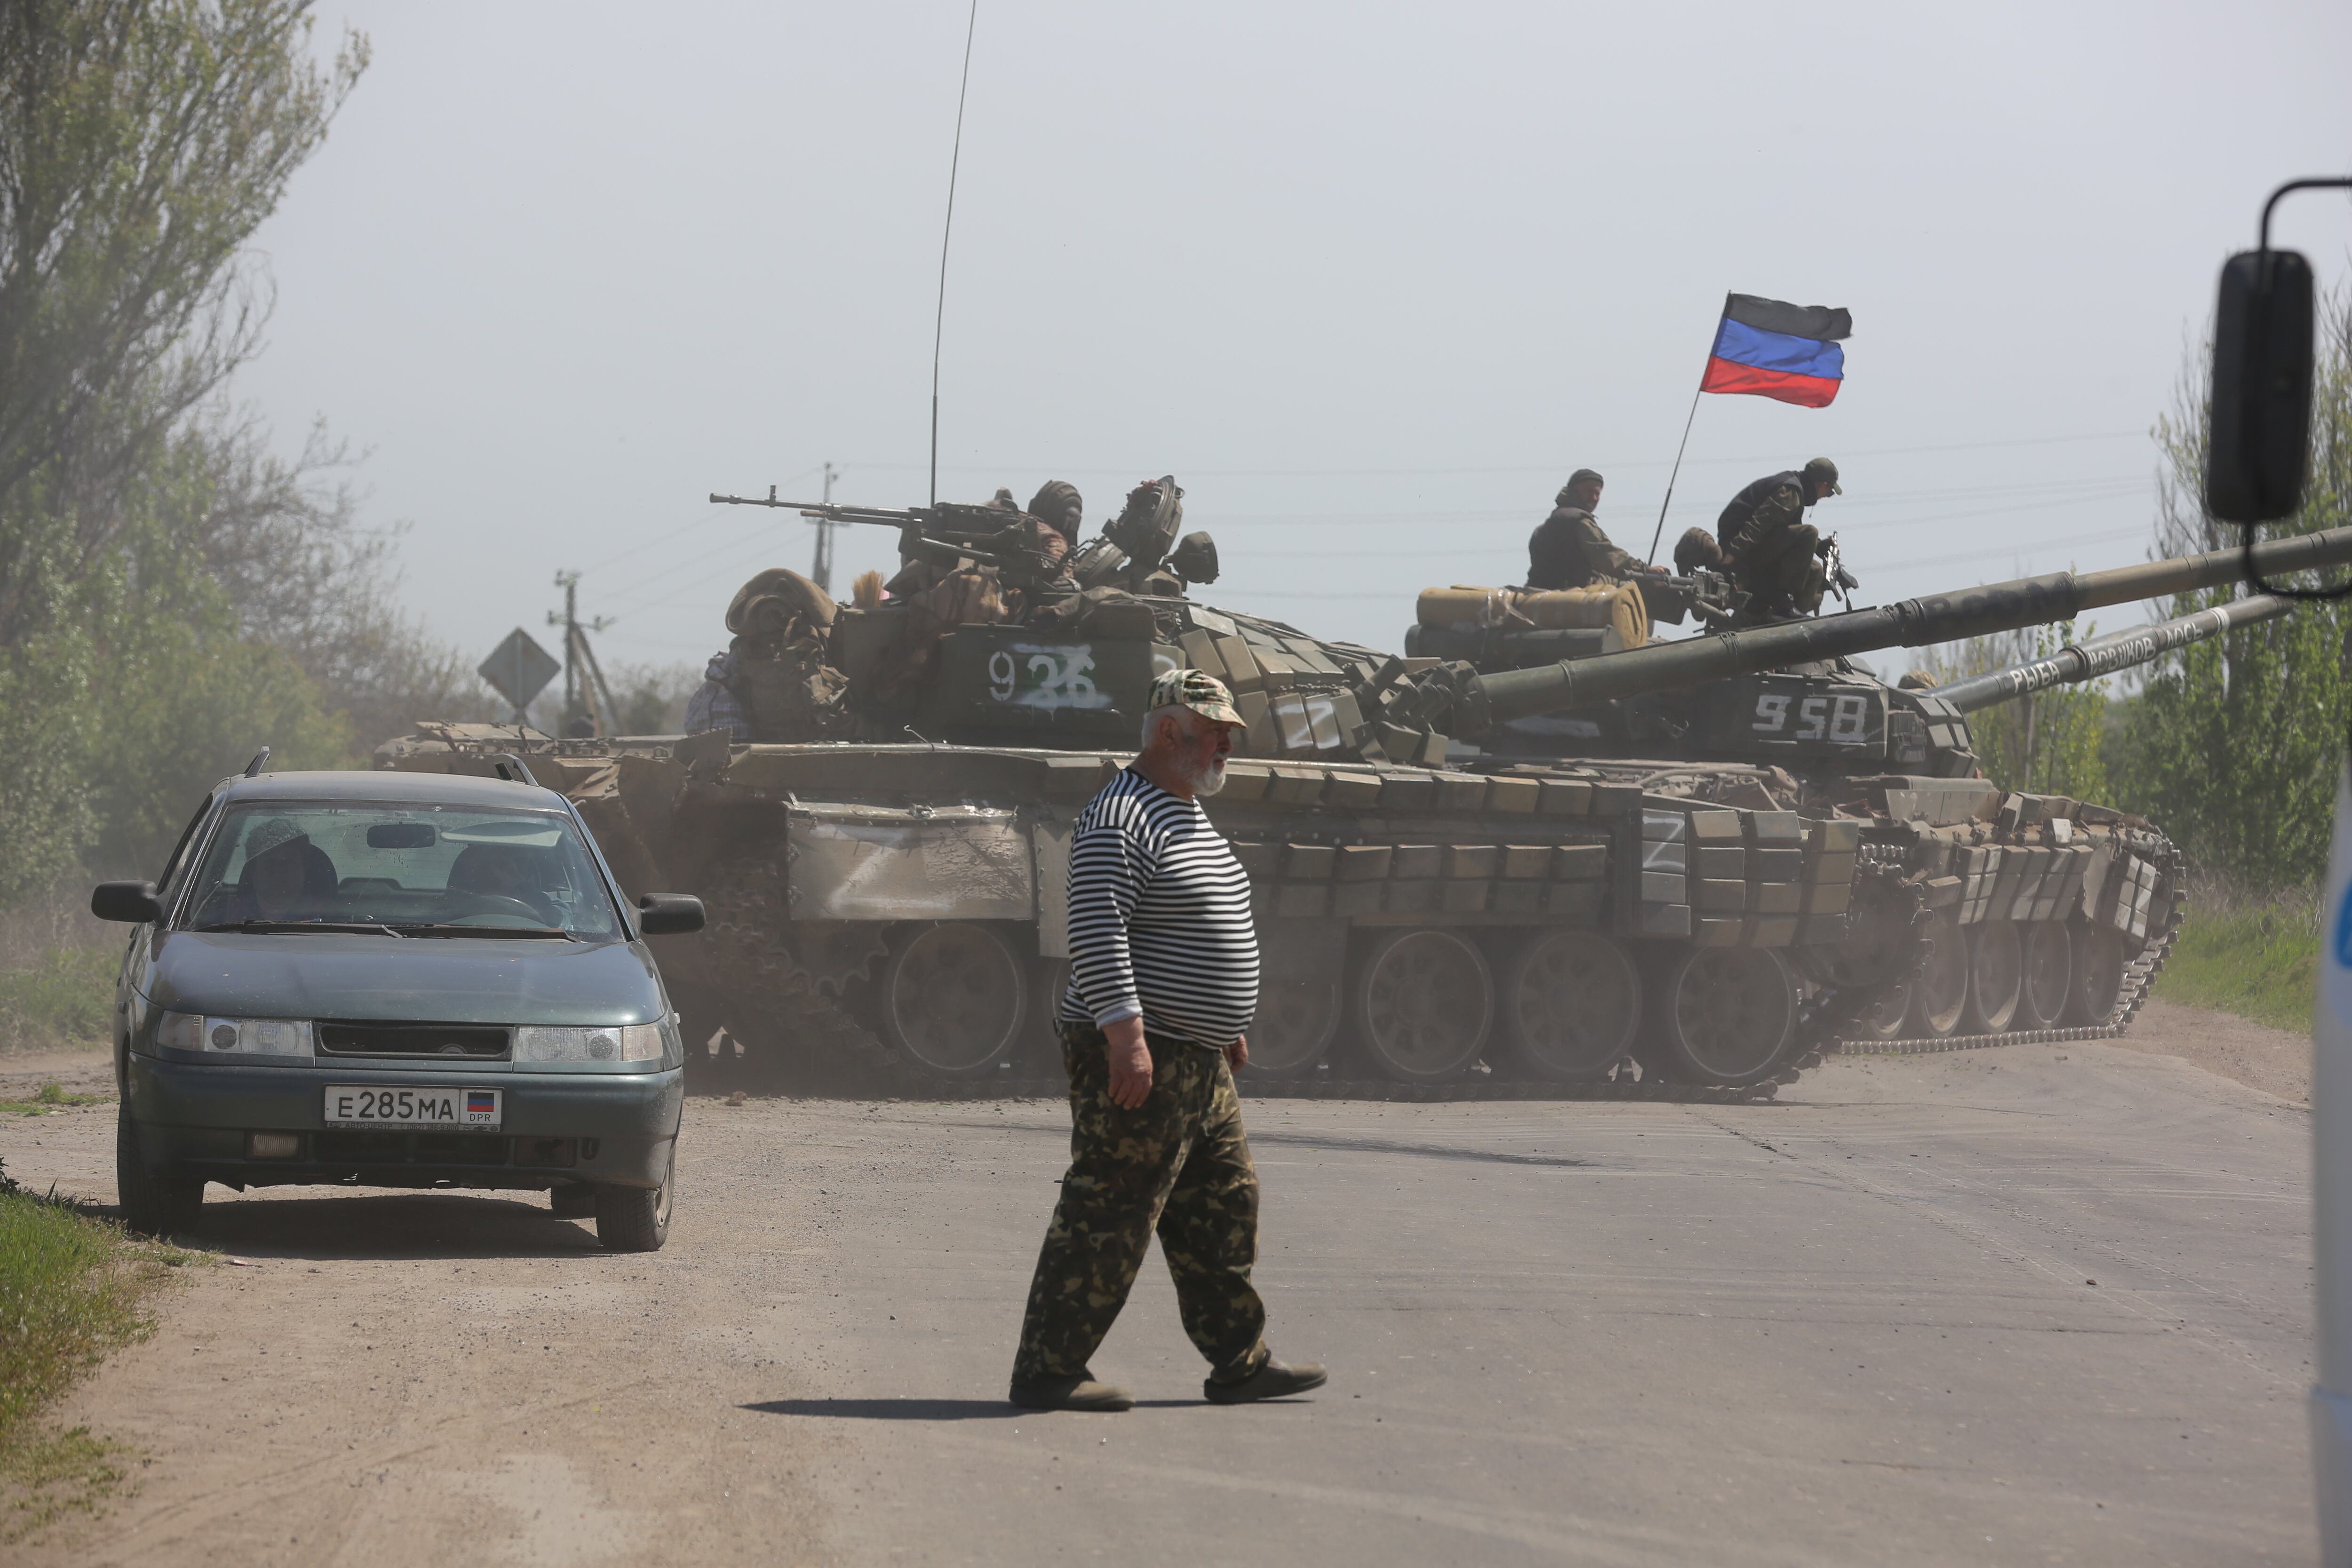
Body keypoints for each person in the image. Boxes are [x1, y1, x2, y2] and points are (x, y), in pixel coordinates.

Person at [1009, 669, 1327, 1413]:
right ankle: (1048, 1367)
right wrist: (1127, 1037)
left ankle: (1239, 1362)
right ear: (1166, 731)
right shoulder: (1122, 814)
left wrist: (1227, 1026)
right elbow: (1095, 927)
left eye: (1229, 734)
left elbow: (1190, 922)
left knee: (1222, 1200)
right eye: (1213, 730)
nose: (1225, 743)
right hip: (1142, 1051)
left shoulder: (1183, 810)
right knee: (1112, 1207)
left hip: (1195, 1056)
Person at [1714, 457, 1843, 620]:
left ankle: (1788, 617)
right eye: (1829, 492)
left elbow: (1783, 532)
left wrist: (1818, 546)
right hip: (1739, 547)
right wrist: (1730, 558)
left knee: (1815, 570)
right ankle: (1783, 605)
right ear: (1821, 485)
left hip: (1752, 547)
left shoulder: (1796, 489)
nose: (1826, 496)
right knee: (1810, 533)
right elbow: (1758, 525)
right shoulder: (1790, 492)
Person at [1526, 470, 1662, 590]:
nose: (1594, 498)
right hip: (1574, 589)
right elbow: (1606, 555)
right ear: (1573, 492)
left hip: (1541, 588)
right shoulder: (1580, 522)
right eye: (1588, 492)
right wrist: (1644, 569)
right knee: (1631, 589)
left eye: (1597, 494)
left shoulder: (1544, 528)